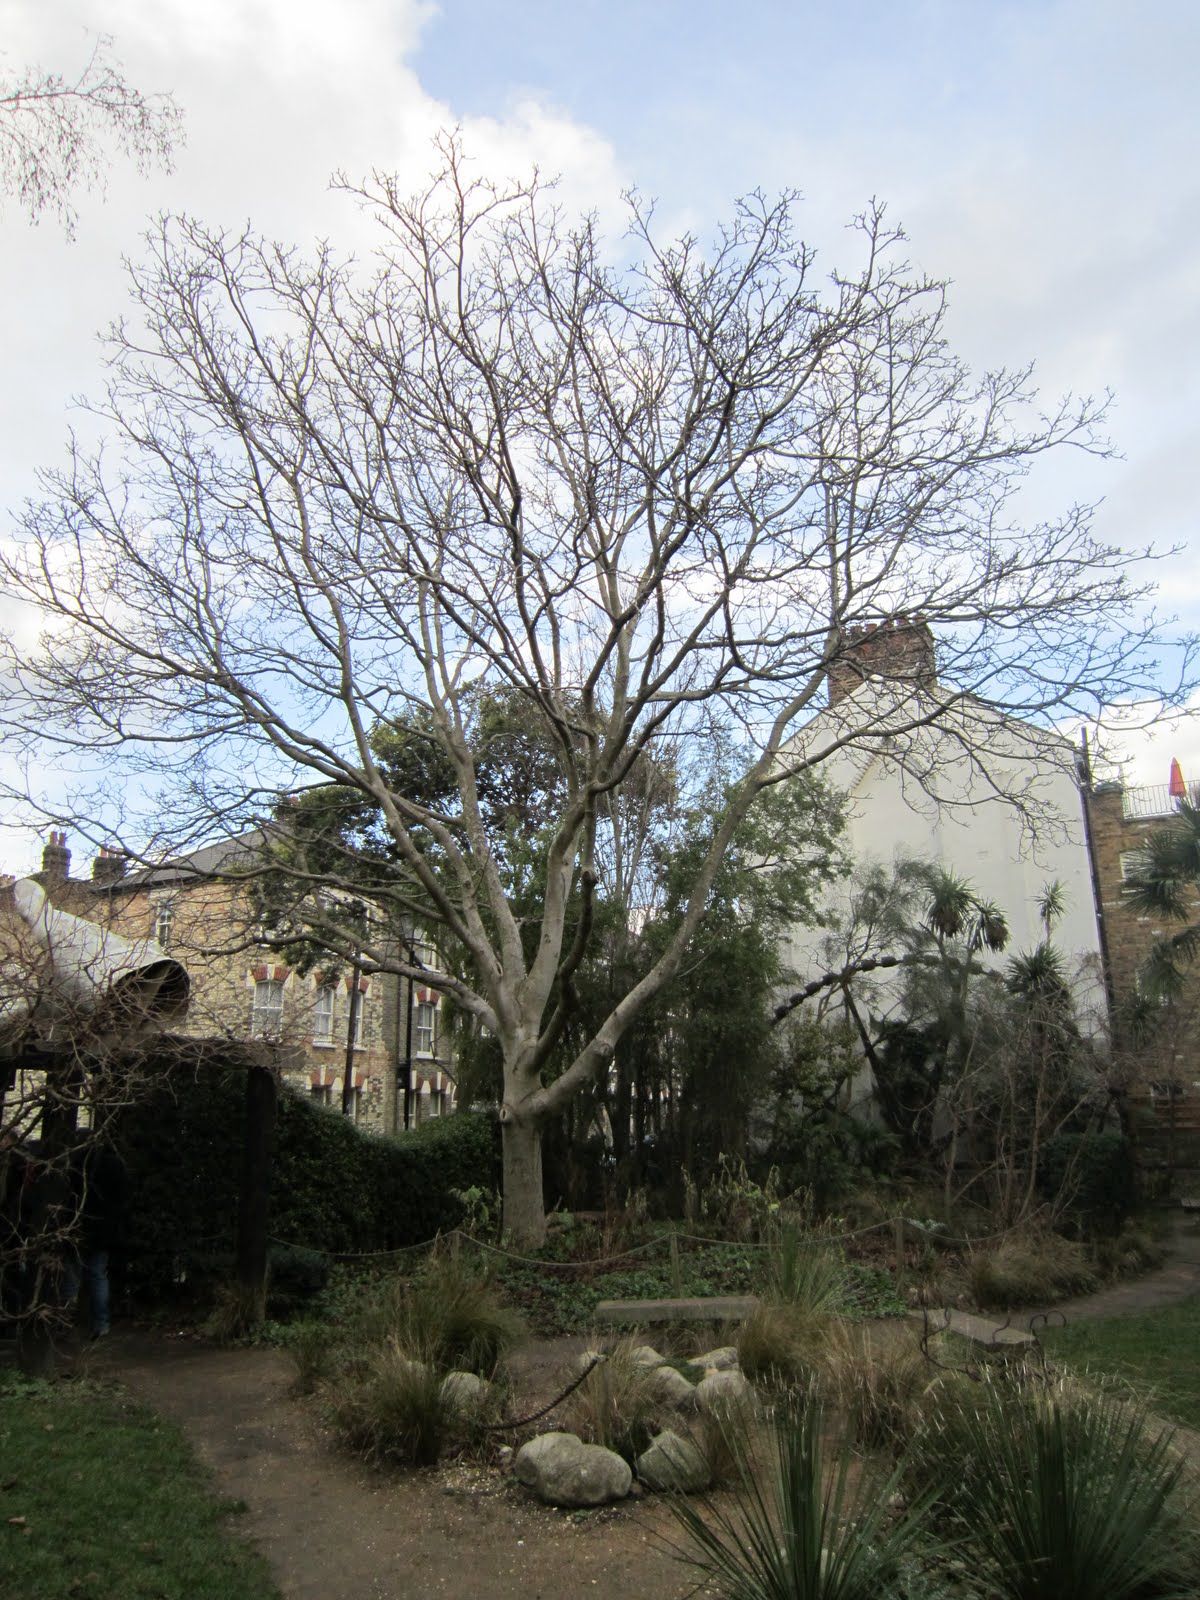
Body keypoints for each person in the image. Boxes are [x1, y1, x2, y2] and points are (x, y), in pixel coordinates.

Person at [65, 1138, 126, 1338]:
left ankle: (64, 1320)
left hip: (78, 1224)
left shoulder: (75, 1163)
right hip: (103, 1228)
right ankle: (101, 1323)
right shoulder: (114, 1163)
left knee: (72, 1274)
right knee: (98, 1275)